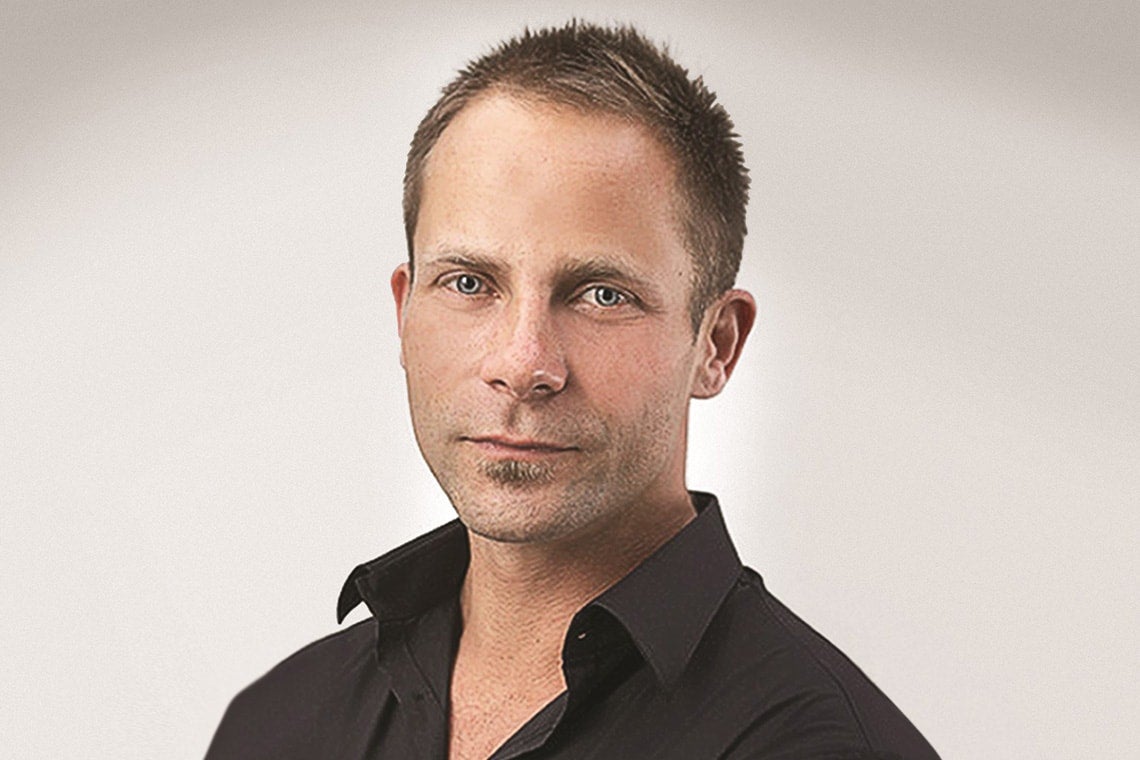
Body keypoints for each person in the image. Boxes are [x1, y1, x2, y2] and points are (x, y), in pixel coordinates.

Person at [205, 21, 940, 760]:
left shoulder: (819, 744)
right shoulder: (278, 725)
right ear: (404, 313)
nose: (524, 364)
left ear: (716, 345)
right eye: (469, 283)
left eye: (602, 295)